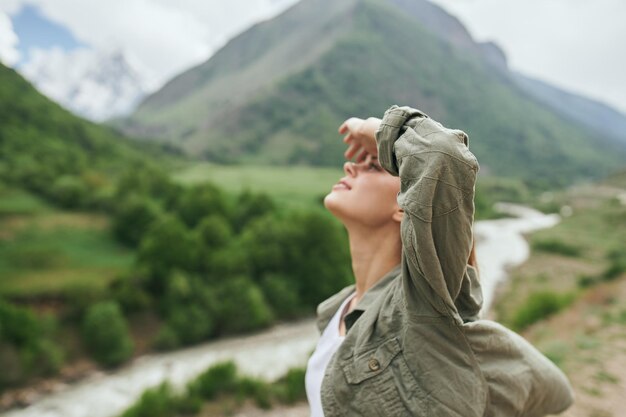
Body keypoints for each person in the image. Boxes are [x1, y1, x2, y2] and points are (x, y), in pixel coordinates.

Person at [304, 105, 574, 416]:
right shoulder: (336, 310)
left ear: (406, 207)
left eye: (374, 167)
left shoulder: (423, 299)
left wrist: (374, 129)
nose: (351, 167)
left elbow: (443, 154)